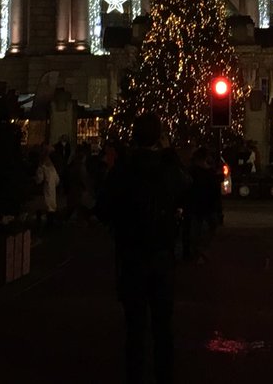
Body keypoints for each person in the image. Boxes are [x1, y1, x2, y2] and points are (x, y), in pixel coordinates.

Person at [96, 112, 192, 384]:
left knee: (134, 328)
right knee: (163, 328)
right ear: (159, 137)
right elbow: (188, 190)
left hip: (130, 256)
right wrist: (171, 154)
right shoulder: (169, 169)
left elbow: (102, 209)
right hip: (162, 257)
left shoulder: (123, 169)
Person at [35, 146, 61, 227]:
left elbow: (39, 179)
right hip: (51, 189)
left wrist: (36, 181)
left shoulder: (42, 166)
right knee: (50, 206)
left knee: (42, 205)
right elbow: (57, 180)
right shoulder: (52, 167)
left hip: (45, 190)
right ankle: (50, 223)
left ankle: (42, 223)